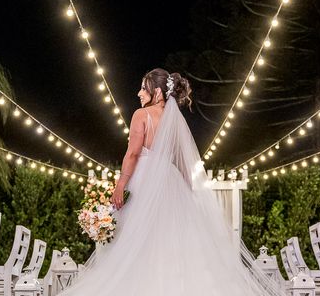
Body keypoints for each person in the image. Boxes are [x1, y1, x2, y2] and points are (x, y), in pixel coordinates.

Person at [61, 68, 282, 295]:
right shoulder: (174, 120)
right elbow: (182, 160)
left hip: (145, 179)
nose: (138, 93)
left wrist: (120, 185)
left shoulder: (141, 115)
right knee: (173, 238)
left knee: (140, 239)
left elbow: (133, 154)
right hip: (171, 179)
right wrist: (188, 190)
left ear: (157, 91)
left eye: (143, 88)